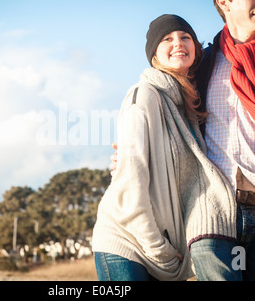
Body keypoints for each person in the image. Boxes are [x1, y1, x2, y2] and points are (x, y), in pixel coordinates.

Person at [110, 0, 255, 281]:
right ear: (224, 2)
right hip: (211, 210)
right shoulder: (200, 65)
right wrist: (130, 154)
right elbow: (162, 118)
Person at [92, 14, 237, 281]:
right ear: (154, 54)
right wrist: (157, 248)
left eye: (185, 37)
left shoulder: (187, 105)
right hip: (126, 242)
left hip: (162, 248)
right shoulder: (145, 95)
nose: (178, 43)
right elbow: (130, 181)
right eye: (167, 39)